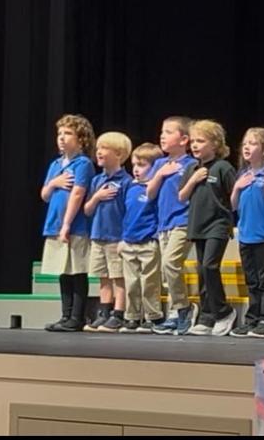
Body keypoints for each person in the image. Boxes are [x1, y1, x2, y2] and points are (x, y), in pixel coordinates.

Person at [179, 120, 237, 336]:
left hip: (218, 224)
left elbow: (233, 196)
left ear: (215, 144)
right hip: (198, 225)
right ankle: (207, 316)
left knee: (210, 267)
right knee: (202, 270)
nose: (195, 145)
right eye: (193, 141)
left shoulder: (223, 167)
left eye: (200, 141)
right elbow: (181, 196)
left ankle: (224, 312)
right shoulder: (191, 168)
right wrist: (193, 180)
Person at [40, 114, 96, 332]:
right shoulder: (56, 165)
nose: (62, 138)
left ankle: (77, 317)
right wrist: (54, 182)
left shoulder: (82, 163)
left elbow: (78, 193)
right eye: (60, 134)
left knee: (77, 271)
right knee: (63, 271)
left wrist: (66, 224)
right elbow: (45, 194)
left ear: (81, 139)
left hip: (75, 226)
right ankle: (65, 315)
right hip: (54, 223)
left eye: (68, 133)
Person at [147, 116, 199, 336]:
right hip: (164, 223)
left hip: (183, 221)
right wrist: (160, 174)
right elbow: (149, 193)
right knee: (166, 270)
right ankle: (175, 313)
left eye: (169, 132)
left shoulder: (191, 164)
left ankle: (184, 307)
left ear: (184, 139)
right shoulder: (160, 164)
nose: (162, 136)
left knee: (171, 263)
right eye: (162, 131)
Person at [228, 127, 264, 338]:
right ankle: (252, 317)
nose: (247, 147)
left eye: (253, 143)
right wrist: (237, 187)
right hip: (246, 235)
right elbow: (232, 206)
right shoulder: (243, 174)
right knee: (251, 280)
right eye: (245, 143)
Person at [84, 132, 133, 333]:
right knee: (102, 276)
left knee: (117, 276)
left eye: (104, 149)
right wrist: (97, 197)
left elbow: (128, 211)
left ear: (119, 154)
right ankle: (103, 311)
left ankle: (118, 312)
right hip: (98, 236)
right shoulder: (97, 180)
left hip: (116, 237)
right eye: (98, 149)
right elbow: (87, 209)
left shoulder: (126, 181)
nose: (99, 152)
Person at [119, 143, 165, 333]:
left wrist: (155, 237)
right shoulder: (130, 187)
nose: (136, 169)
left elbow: (159, 214)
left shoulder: (155, 189)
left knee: (149, 282)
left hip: (148, 242)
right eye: (134, 165)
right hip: (129, 242)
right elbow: (126, 214)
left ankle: (152, 316)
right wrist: (122, 238)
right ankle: (132, 316)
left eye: (142, 165)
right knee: (131, 283)